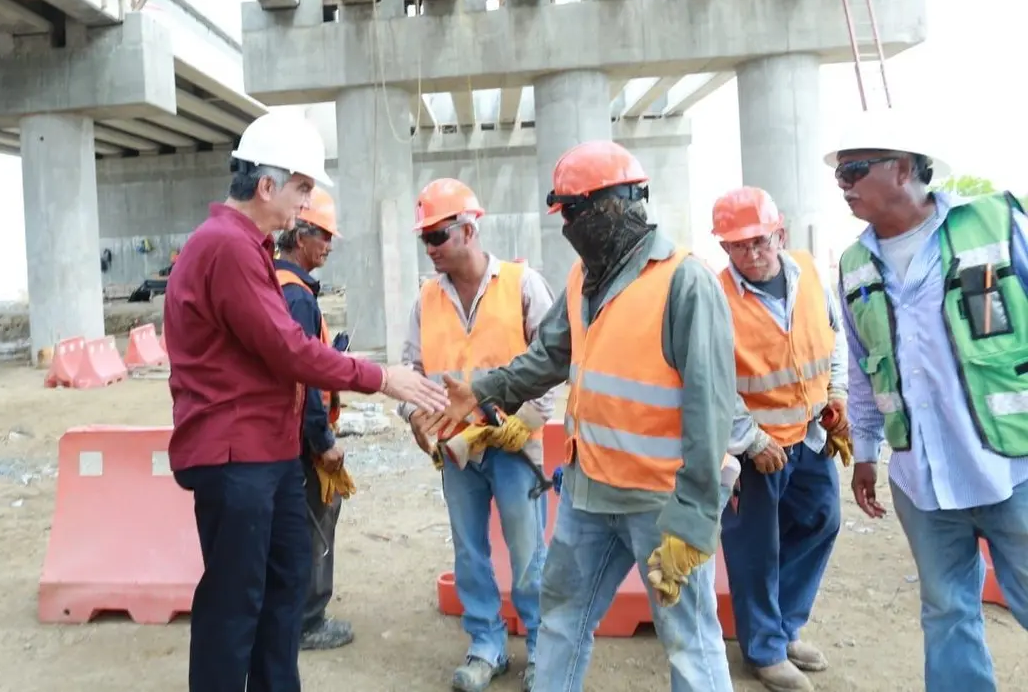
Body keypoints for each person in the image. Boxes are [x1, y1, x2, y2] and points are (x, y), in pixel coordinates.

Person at [426, 141, 736, 692]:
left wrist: (693, 516)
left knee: (689, 641)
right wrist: (482, 391)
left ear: (620, 203)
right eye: (563, 214)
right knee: (563, 617)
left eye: (575, 212)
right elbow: (547, 358)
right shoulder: (581, 279)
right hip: (588, 495)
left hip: (658, 503)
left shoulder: (684, 282)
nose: (568, 226)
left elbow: (711, 410)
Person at [164, 110, 448, 692]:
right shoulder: (227, 247)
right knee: (234, 605)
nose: (304, 204)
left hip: (265, 457)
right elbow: (287, 350)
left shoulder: (248, 247)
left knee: (286, 583)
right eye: (301, 188)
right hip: (234, 457)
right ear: (266, 185)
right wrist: (380, 378)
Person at [830, 110, 1028, 692]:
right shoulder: (854, 264)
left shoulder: (993, 222)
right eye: (839, 176)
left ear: (904, 167)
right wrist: (864, 452)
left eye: (854, 171)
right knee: (946, 612)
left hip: (1011, 467)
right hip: (923, 479)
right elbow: (868, 372)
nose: (843, 185)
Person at [397, 178, 555, 692]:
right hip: (457, 452)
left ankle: (540, 649)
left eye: (437, 237)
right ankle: (486, 645)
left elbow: (558, 360)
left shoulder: (523, 284)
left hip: (514, 450)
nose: (430, 249)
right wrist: (413, 413)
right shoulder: (426, 299)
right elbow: (410, 368)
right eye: (425, 240)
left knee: (529, 553)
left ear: (469, 230)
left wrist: (526, 421)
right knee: (469, 552)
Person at [711, 186, 850, 692]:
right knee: (754, 548)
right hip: (756, 449)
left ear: (780, 233)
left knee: (821, 520)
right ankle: (765, 651)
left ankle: (784, 626)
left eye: (759, 241)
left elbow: (832, 340)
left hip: (810, 436)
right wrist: (749, 440)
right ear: (724, 249)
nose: (750, 253)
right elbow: (709, 381)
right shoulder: (716, 297)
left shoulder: (810, 273)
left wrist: (836, 393)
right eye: (737, 246)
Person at [274, 186, 355, 651]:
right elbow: (301, 381)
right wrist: (322, 440)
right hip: (303, 438)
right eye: (323, 234)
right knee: (317, 520)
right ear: (300, 236)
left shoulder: (279, 285)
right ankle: (308, 620)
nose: (328, 244)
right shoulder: (297, 296)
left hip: (287, 433)